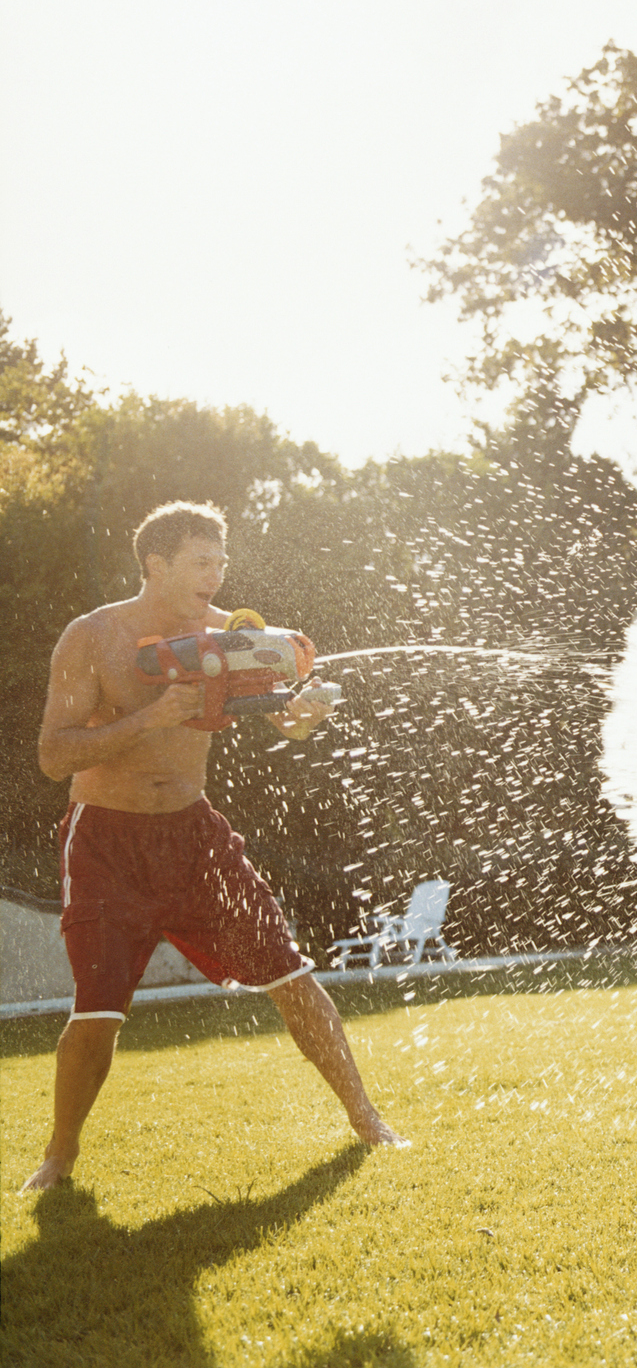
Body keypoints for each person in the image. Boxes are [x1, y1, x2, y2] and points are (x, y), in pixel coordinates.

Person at [23, 502, 402, 1194]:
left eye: (221, 562)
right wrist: (151, 716)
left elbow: (280, 715)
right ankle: (59, 1155)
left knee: (290, 973)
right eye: (202, 561)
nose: (216, 576)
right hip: (106, 840)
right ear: (155, 565)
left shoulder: (231, 637)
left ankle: (367, 1118)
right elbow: (54, 754)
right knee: (99, 1009)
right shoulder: (94, 636)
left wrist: (302, 719)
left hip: (194, 834)